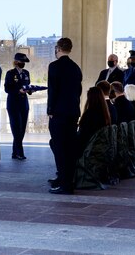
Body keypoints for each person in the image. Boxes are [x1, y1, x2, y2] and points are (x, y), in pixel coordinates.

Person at [47, 37, 82, 195]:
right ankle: (66, 179)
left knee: (60, 148)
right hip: (73, 112)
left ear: (58, 49)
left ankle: (65, 184)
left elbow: (52, 90)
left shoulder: (54, 66)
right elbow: (78, 91)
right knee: (69, 148)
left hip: (59, 113)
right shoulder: (76, 67)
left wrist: (50, 110)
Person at [4, 53, 31, 160]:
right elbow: (7, 89)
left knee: (22, 129)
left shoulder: (26, 73)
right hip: (13, 104)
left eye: (24, 62)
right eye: (21, 62)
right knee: (16, 128)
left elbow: (28, 85)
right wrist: (17, 90)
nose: (22, 64)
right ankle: (20, 152)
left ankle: (15, 152)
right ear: (16, 62)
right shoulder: (10, 73)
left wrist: (30, 90)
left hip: (24, 104)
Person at [77, 87, 112, 154]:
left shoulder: (89, 114)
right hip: (100, 148)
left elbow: (83, 134)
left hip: (88, 148)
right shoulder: (105, 113)